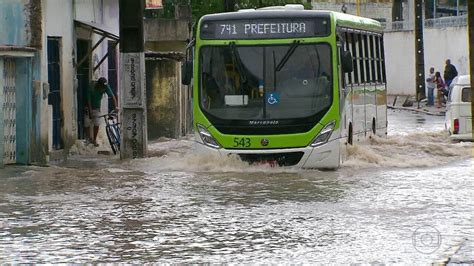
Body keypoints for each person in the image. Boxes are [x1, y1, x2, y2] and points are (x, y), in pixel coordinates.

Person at [84, 77, 118, 146]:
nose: (103, 89)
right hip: (88, 107)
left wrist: (116, 106)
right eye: (102, 87)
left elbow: (112, 96)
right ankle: (88, 138)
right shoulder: (92, 87)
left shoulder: (105, 86)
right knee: (87, 123)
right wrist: (90, 112)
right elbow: (89, 101)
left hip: (97, 108)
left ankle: (94, 140)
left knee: (97, 123)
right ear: (99, 85)